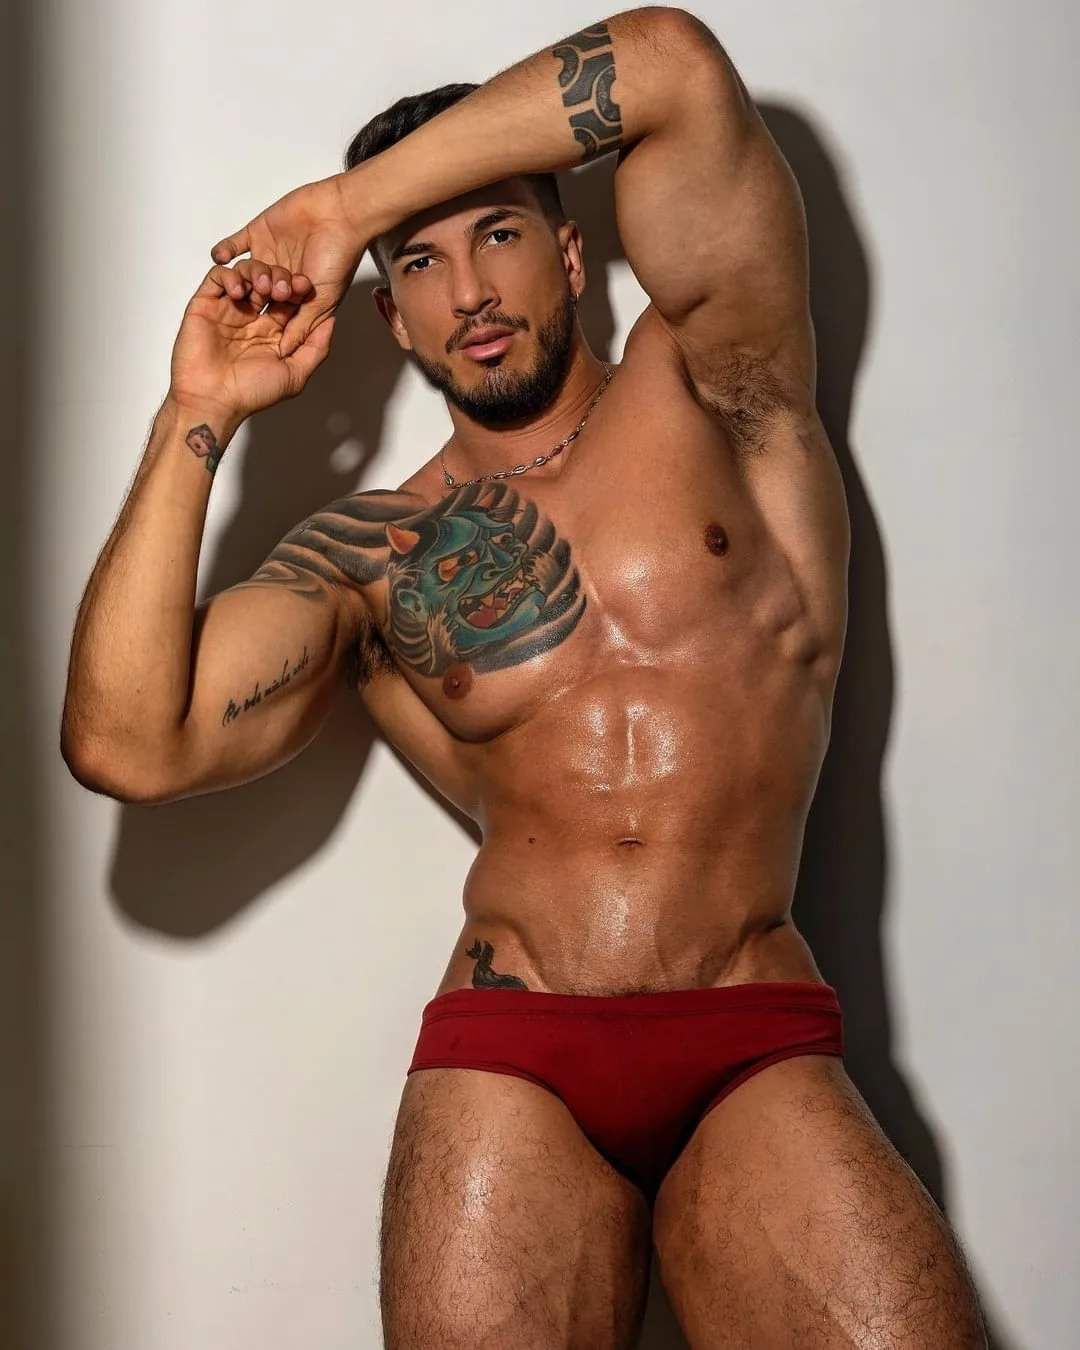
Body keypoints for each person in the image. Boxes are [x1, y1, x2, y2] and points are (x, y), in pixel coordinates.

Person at [61, 8, 987, 1347]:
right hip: (512, 1049)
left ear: (569, 251)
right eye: (419, 262)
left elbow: (670, 67)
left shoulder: (724, 383)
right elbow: (127, 742)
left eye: (496, 233)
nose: (470, 293)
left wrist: (349, 207)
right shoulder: (375, 551)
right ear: (388, 315)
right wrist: (196, 412)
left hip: (751, 1019)